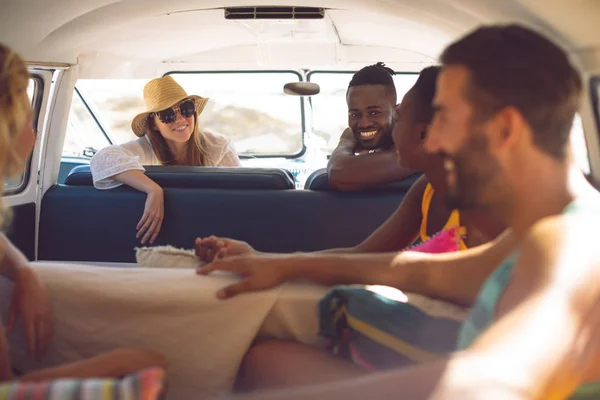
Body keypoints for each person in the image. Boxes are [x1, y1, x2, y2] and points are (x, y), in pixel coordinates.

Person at [209, 24, 600, 400]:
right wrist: (281, 263)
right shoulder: (536, 233)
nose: (434, 138)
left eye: (444, 116)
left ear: (505, 129)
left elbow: (494, 379)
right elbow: (418, 270)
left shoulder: (573, 243)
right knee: (267, 363)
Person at [195, 66, 505, 300]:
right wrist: (260, 258)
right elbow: (363, 253)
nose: (393, 124)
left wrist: (285, 267)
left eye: (400, 113)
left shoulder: (482, 205)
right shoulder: (424, 190)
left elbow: (436, 277)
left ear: (425, 133)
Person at [0, 43, 164, 382]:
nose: (32, 134)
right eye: (26, 115)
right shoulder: (135, 151)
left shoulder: (219, 148)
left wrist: (25, 273)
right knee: (144, 365)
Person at [90, 75, 241, 244]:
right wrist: (154, 190)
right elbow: (101, 158)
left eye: (186, 108)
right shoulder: (143, 149)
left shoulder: (217, 146)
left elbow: (240, 195)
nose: (181, 119)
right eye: (167, 114)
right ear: (153, 124)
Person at [327, 62, 418, 190]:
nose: (364, 123)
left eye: (374, 113)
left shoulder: (415, 145)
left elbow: (339, 172)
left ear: (396, 112)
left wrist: (346, 141)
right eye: (355, 115)